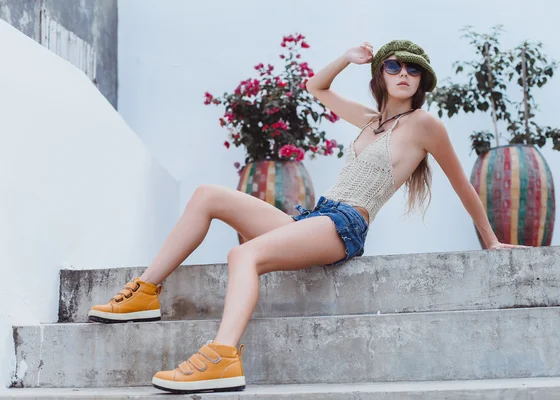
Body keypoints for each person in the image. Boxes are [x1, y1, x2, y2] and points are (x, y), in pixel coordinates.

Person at [87, 39, 526, 394]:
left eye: (413, 70)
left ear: (422, 81)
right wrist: (347, 58)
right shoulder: (371, 122)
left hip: (344, 227)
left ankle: (223, 355)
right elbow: (316, 87)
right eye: (394, 67)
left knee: (244, 256)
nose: (404, 75)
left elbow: (462, 183)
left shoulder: (424, 125)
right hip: (315, 218)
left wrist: (488, 238)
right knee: (207, 195)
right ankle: (145, 291)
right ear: (381, 74)